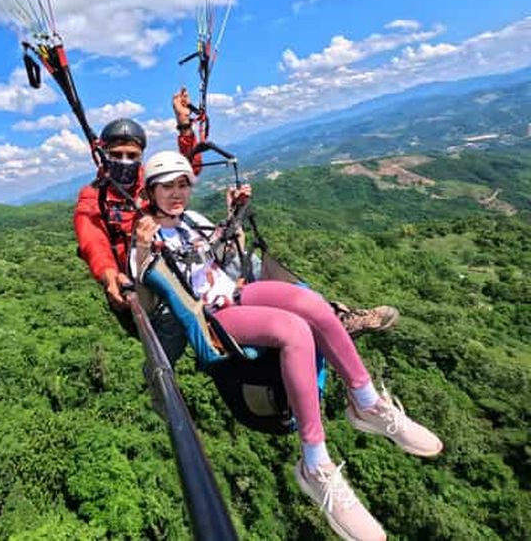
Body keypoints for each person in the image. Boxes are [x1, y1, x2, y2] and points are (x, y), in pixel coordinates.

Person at [132, 151, 443, 541]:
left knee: (310, 301)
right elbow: (145, 297)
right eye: (167, 187)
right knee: (293, 330)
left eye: (182, 185)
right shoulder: (146, 237)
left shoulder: (192, 222)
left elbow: (228, 253)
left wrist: (234, 216)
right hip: (213, 316)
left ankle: (366, 403)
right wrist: (144, 248)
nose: (177, 194)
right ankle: (315, 463)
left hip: (236, 292)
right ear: (151, 192)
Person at [73, 88, 398, 337]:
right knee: (173, 331)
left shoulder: (148, 182)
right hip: (143, 279)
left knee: (241, 258)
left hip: (178, 259)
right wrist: (107, 276)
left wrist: (184, 123)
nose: (126, 161)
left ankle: (330, 313)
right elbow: (93, 243)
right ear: (103, 155)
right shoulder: (94, 199)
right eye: (117, 154)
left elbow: (186, 169)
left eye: (133, 155)